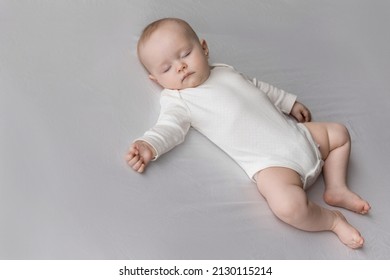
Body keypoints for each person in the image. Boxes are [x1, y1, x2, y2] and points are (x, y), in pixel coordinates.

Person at [125, 18, 371, 248]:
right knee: (288, 208)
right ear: (155, 79)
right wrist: (149, 145)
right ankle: (333, 221)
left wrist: (289, 103)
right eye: (167, 68)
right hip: (274, 165)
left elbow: (257, 87)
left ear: (204, 48)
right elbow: (169, 127)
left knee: (339, 133)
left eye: (186, 54)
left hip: (298, 134)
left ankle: (337, 188)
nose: (180, 67)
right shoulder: (179, 100)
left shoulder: (223, 70)